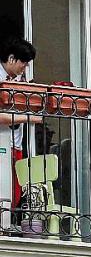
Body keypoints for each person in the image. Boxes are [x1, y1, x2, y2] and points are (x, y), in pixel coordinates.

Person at [0, 36, 43, 214]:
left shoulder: (16, 81)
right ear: (11, 59)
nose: (24, 68)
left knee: (14, 193)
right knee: (4, 191)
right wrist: (29, 118)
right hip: (3, 143)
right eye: (23, 63)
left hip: (15, 145)